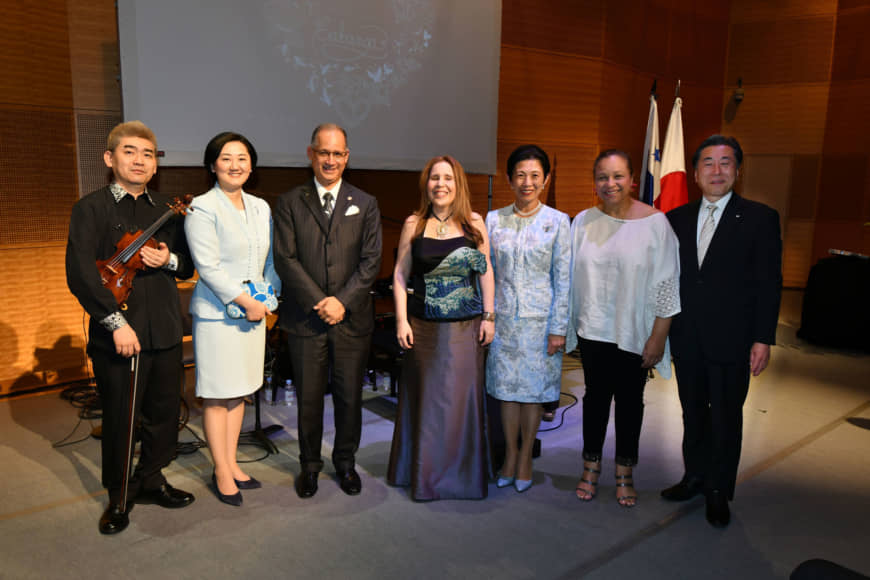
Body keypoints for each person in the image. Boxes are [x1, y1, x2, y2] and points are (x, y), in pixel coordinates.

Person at [66, 121, 196, 534]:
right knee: (123, 418)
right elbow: (82, 274)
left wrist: (168, 261)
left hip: (166, 330)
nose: (139, 160)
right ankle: (119, 497)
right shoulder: (91, 208)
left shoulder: (166, 210)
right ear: (110, 159)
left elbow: (189, 265)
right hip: (121, 333)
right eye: (129, 152)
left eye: (147, 154)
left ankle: (152, 479)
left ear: (155, 165)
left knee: (163, 414)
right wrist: (115, 323)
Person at [661, 135, 782, 528]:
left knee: (726, 417)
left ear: (738, 171)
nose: (717, 171)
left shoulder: (761, 218)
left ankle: (718, 489)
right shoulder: (675, 219)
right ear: (695, 174)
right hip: (687, 338)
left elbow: (769, 283)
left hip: (733, 340)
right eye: (708, 164)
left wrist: (763, 338)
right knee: (693, 413)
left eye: (725, 163)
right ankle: (694, 476)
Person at [273, 123, 382, 498]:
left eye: (338, 154)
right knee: (308, 399)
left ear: (347, 157)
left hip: (351, 320)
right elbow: (285, 259)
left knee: (351, 398)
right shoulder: (289, 202)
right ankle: (309, 466)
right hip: (306, 319)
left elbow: (371, 261)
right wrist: (321, 302)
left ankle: (346, 464)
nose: (330, 160)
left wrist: (342, 302)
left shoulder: (366, 203)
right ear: (311, 154)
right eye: (324, 153)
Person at [568, 150, 680, 507]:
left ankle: (625, 470)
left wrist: (658, 337)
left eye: (618, 176)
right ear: (594, 181)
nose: (610, 184)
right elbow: (570, 277)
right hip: (594, 329)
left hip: (635, 332)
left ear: (633, 179)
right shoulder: (582, 222)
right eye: (602, 176)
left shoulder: (655, 224)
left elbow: (668, 284)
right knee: (595, 399)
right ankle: (590, 466)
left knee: (630, 402)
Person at [387, 155, 495, 501]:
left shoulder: (474, 223)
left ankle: (463, 477)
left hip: (465, 330)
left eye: (448, 178)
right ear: (427, 184)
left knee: (460, 402)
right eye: (435, 178)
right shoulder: (414, 224)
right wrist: (402, 319)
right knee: (429, 404)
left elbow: (486, 272)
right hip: (424, 328)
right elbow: (401, 275)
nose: (441, 184)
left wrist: (489, 316)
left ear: (458, 184)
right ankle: (425, 476)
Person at [184, 132, 281, 506]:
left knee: (240, 390)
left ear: (251, 166)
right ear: (212, 165)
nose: (235, 165)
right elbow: (207, 267)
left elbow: (270, 261)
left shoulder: (261, 207)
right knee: (217, 394)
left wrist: (268, 295)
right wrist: (245, 300)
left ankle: (233, 461)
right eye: (226, 158)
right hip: (217, 316)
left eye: (242, 158)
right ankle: (221, 469)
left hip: (254, 313)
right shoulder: (202, 208)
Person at [485, 144, 570, 493]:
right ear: (508, 179)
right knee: (507, 392)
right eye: (520, 175)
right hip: (503, 323)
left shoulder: (557, 221)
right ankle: (509, 454)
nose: (527, 182)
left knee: (534, 394)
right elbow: (486, 272)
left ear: (546, 179)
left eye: (535, 175)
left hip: (541, 324)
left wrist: (558, 328)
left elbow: (563, 278)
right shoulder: (493, 220)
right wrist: (486, 317)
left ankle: (524, 459)